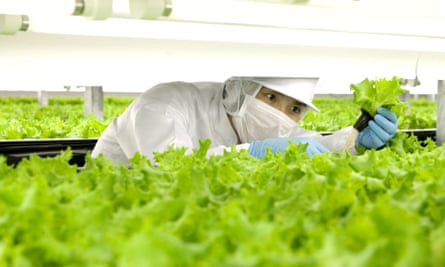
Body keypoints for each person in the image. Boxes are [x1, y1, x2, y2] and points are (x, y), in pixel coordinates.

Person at [91, 77, 398, 165]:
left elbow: (305, 144)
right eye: (271, 99)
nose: (281, 114)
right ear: (239, 93)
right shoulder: (166, 103)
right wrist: (252, 153)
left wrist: (353, 141)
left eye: (294, 109)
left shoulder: (272, 125)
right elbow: (168, 166)